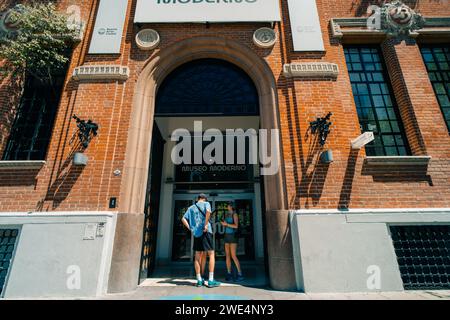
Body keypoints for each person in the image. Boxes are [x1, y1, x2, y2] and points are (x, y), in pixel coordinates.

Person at [181, 193, 221, 288]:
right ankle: (211, 280)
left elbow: (183, 219)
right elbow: (208, 212)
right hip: (206, 232)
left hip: (196, 233)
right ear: (204, 198)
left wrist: (191, 228)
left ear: (198, 198)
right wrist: (206, 224)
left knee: (197, 256)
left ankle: (199, 280)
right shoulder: (206, 204)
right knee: (211, 254)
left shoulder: (191, 207)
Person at [221, 202, 244, 282]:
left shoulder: (235, 214)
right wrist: (224, 224)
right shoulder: (227, 214)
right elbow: (226, 224)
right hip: (226, 235)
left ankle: (240, 274)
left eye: (228, 205)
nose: (227, 206)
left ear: (231, 206)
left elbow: (236, 226)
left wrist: (226, 224)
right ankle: (229, 273)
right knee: (227, 256)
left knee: (233, 255)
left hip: (233, 236)